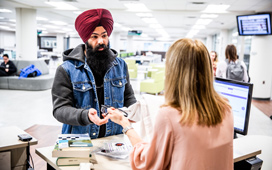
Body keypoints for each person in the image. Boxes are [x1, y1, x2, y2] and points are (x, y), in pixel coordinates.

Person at [107, 38, 233, 170]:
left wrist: (126, 125)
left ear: (173, 71)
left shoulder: (169, 115)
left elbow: (146, 163)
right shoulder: (226, 108)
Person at [51, 8, 137, 139]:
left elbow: (129, 96)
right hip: (80, 138)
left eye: (104, 35)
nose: (101, 41)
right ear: (85, 39)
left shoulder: (120, 65)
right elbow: (59, 110)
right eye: (94, 37)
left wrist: (133, 112)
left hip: (114, 137)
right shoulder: (67, 69)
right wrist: (85, 115)